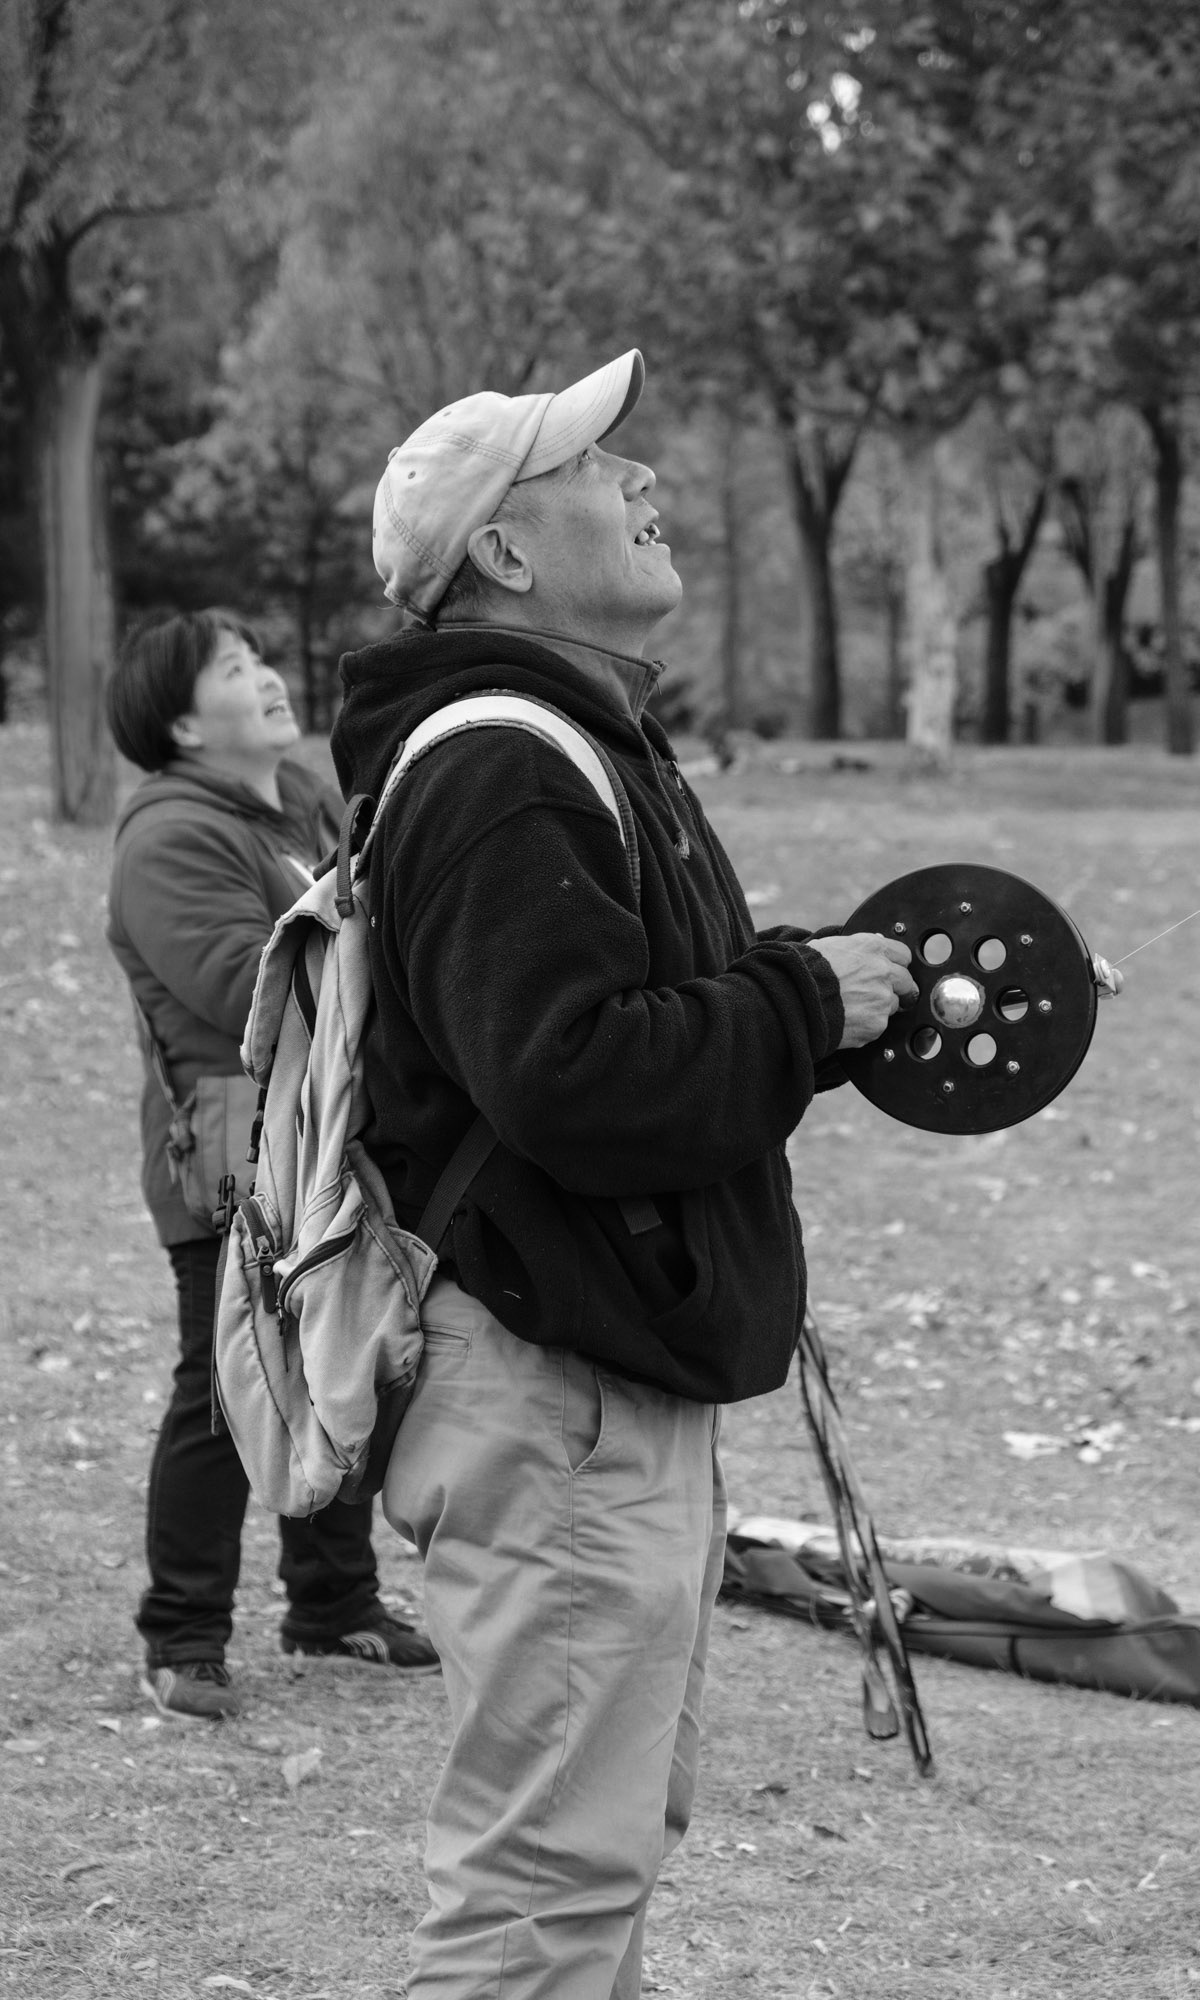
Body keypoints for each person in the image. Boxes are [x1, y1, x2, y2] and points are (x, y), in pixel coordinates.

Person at [325, 349, 929, 1999]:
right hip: (551, 1404)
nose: (648, 482)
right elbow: (574, 1076)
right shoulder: (497, 761)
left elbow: (623, 1035)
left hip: (586, 1388)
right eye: (603, 466)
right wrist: (800, 1001)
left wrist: (823, 1002)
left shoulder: (563, 748)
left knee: (590, 1864)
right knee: (541, 1895)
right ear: (506, 555)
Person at [105, 610, 438, 1723]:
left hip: (325, 1131)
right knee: (221, 1388)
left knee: (339, 1352)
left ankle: (331, 1599)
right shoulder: (169, 835)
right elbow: (239, 985)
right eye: (234, 670)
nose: (267, 679)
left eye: (258, 659)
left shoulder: (296, 799)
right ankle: (184, 1633)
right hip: (234, 1145)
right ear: (182, 722)